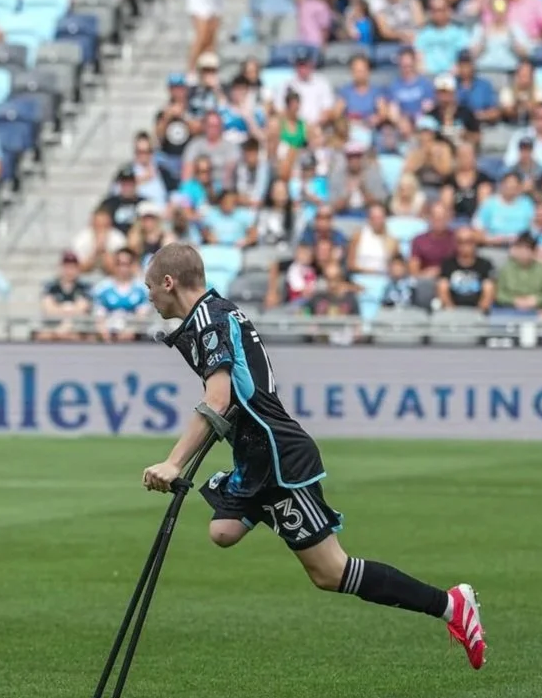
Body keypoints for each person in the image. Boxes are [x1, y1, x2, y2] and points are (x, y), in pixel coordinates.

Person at [139, 241, 485, 669]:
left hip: (280, 458)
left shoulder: (210, 321)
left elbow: (218, 398)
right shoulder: (213, 314)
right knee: (223, 531)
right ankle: (258, 500)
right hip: (255, 457)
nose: (149, 296)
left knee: (331, 573)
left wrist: (173, 463)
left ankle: (451, 605)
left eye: (150, 287)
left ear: (169, 282)